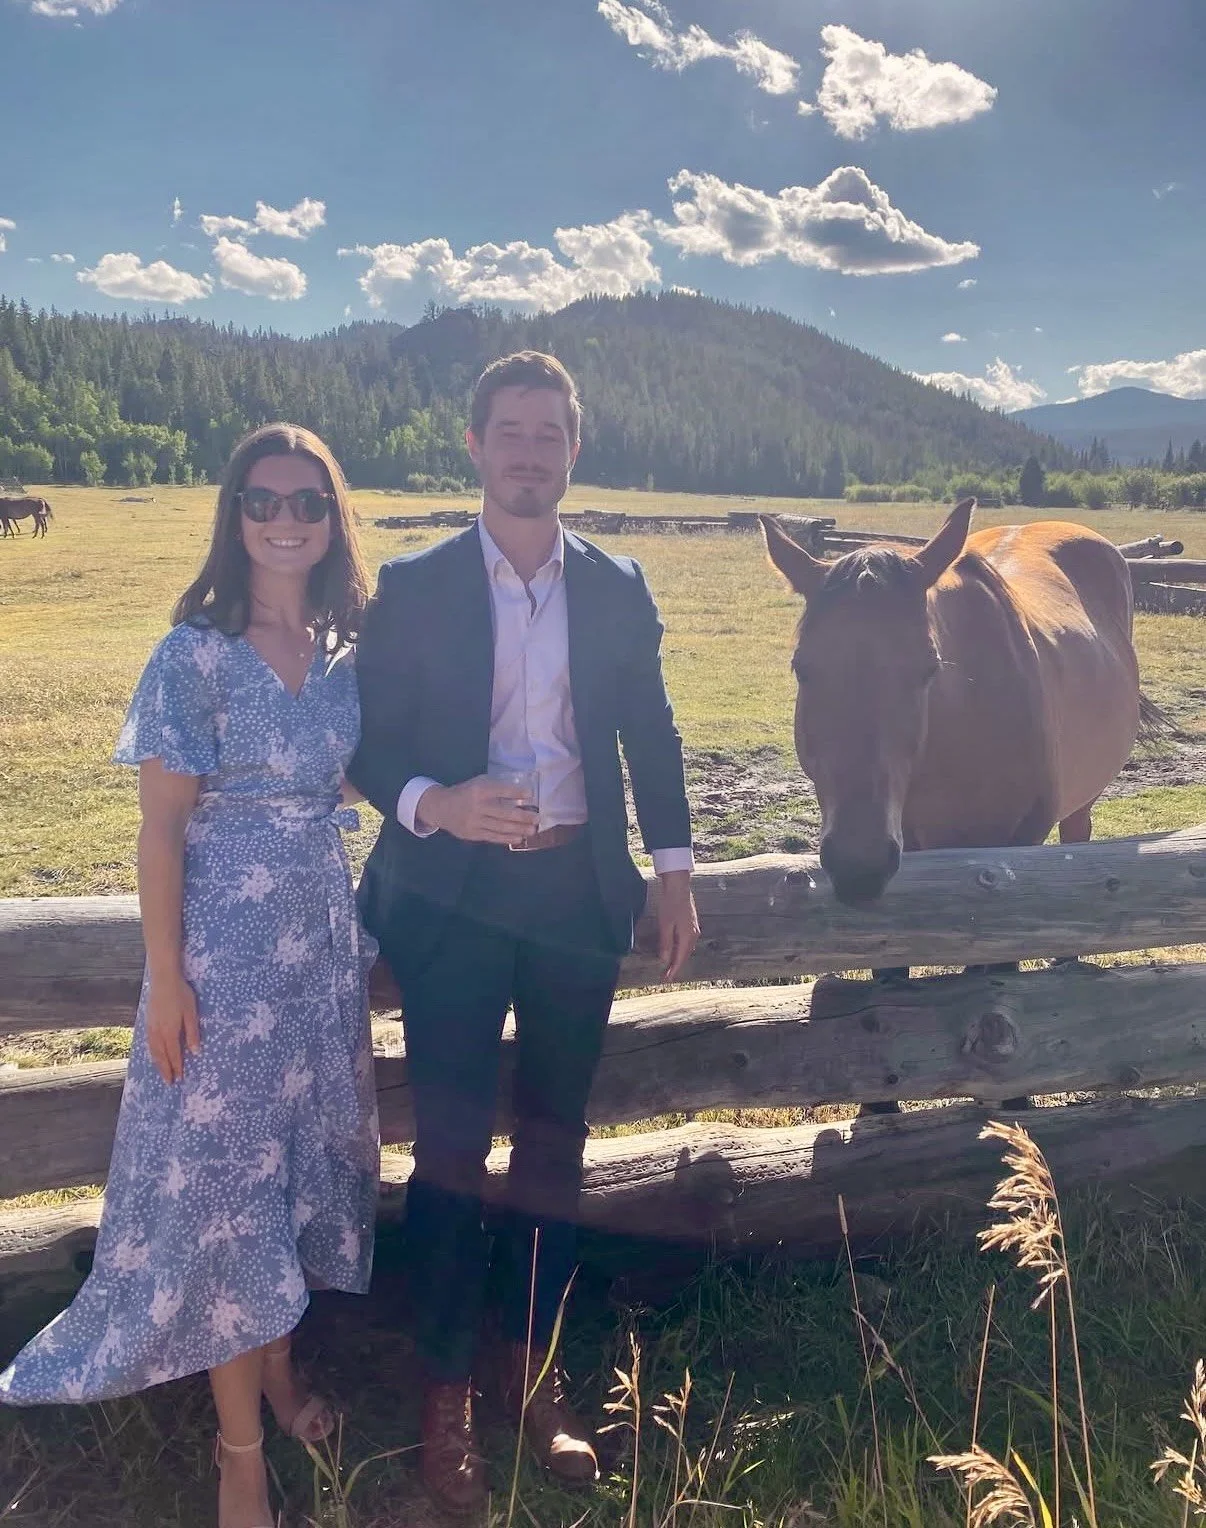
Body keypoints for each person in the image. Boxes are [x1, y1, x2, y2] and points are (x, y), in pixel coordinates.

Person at [0, 424, 380, 1528]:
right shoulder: (194, 653)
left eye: (306, 501)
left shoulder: (344, 650)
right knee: (225, 1193)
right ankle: (238, 1454)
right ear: (234, 515)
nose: (284, 520)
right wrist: (167, 981)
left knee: (293, 1171)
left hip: (318, 958)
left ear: (332, 516)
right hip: (223, 966)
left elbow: (352, 775)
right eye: (262, 501)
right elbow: (160, 831)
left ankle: (278, 1374)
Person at [349, 350, 698, 1514]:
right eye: (511, 431)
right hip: (451, 900)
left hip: (573, 902)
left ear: (574, 451)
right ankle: (447, 1389)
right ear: (474, 446)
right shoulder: (414, 584)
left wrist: (675, 868)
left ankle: (534, 1372)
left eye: (550, 434)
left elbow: (651, 732)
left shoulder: (618, 584)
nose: (530, 453)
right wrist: (435, 803)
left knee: (554, 1143)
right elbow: (368, 743)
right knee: (451, 1150)